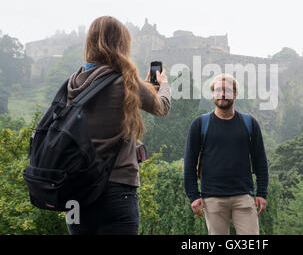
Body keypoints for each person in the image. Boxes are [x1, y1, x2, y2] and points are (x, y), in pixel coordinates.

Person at [65, 15, 171, 235]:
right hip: (117, 190)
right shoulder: (126, 81)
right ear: (121, 44)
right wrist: (163, 86)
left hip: (74, 193)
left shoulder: (72, 83)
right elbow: (162, 107)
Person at [184, 73, 269, 235]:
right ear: (212, 94)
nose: (222, 94)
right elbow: (189, 163)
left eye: (227, 90)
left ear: (235, 94)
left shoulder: (249, 123)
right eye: (218, 90)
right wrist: (193, 195)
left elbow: (260, 161)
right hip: (212, 198)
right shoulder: (200, 124)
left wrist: (262, 193)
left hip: (243, 196)